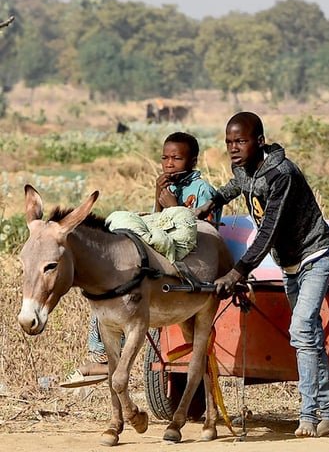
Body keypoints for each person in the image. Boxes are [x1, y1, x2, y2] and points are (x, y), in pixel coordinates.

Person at [198, 112, 329, 438]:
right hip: (288, 262)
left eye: (241, 141)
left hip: (315, 254)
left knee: (302, 329)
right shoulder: (243, 168)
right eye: (229, 142)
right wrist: (213, 201)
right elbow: (237, 185)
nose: (234, 148)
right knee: (310, 335)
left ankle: (307, 416)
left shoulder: (281, 174)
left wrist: (237, 271)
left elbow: (268, 231)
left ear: (259, 141)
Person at [61, 131, 217, 388]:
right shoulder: (165, 184)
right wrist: (159, 199)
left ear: (193, 161)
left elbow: (199, 230)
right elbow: (159, 221)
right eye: (165, 158)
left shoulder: (202, 190)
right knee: (111, 282)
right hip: (161, 246)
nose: (169, 164)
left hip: (190, 253)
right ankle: (99, 354)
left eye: (176, 158)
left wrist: (175, 204)